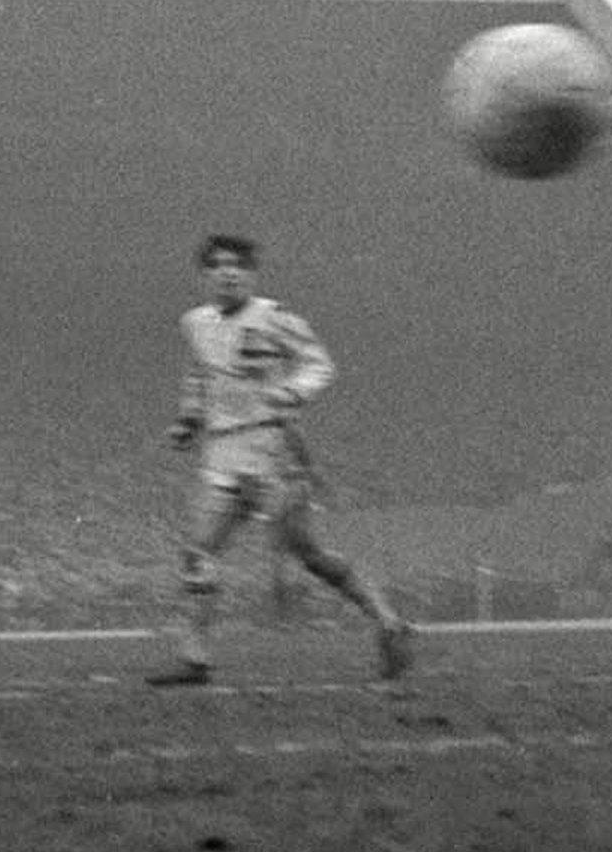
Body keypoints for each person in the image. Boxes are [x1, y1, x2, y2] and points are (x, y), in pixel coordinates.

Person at [146, 234, 412, 686]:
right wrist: (189, 418)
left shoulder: (274, 318)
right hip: (222, 455)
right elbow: (200, 373)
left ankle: (389, 623)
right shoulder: (195, 323)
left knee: (309, 555)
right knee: (197, 553)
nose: (228, 273)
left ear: (251, 275)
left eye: (238, 266)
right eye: (218, 265)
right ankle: (195, 658)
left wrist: (288, 392)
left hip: (274, 454)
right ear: (205, 275)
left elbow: (320, 365)